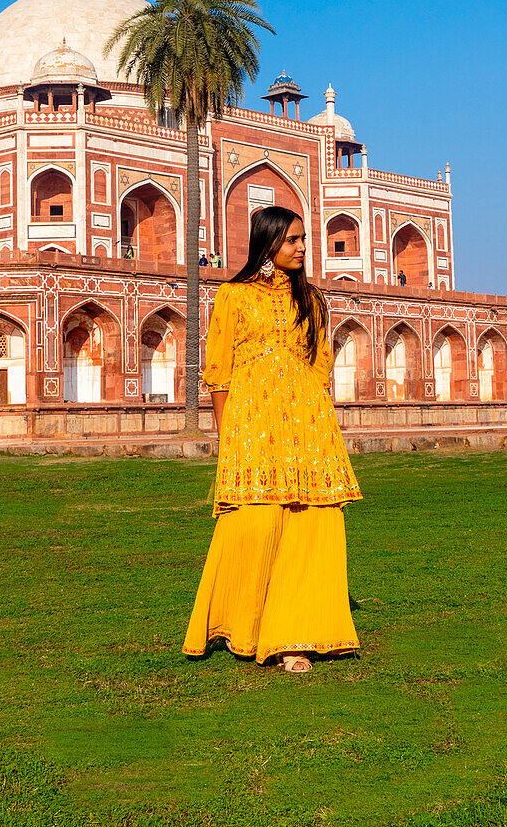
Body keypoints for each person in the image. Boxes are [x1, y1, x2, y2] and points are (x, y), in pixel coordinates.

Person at [183, 205, 362, 673]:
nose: (302, 247)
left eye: (304, 240)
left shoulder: (314, 300)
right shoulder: (233, 297)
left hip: (307, 424)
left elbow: (320, 365)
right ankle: (242, 623)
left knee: (312, 523)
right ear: (268, 244)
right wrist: (228, 441)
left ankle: (294, 634)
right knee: (254, 526)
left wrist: (320, 420)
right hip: (251, 427)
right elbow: (218, 375)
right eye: (292, 240)